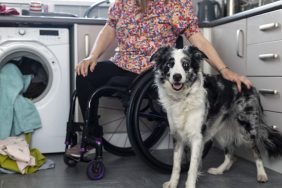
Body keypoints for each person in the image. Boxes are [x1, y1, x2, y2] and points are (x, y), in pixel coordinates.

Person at [66, 0, 252, 157]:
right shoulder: (123, 2)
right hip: (121, 63)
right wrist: (92, 56)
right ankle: (91, 136)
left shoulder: (175, 5)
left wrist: (224, 69)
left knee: (143, 78)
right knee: (85, 74)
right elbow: (109, 28)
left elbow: (198, 39)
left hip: (150, 70)